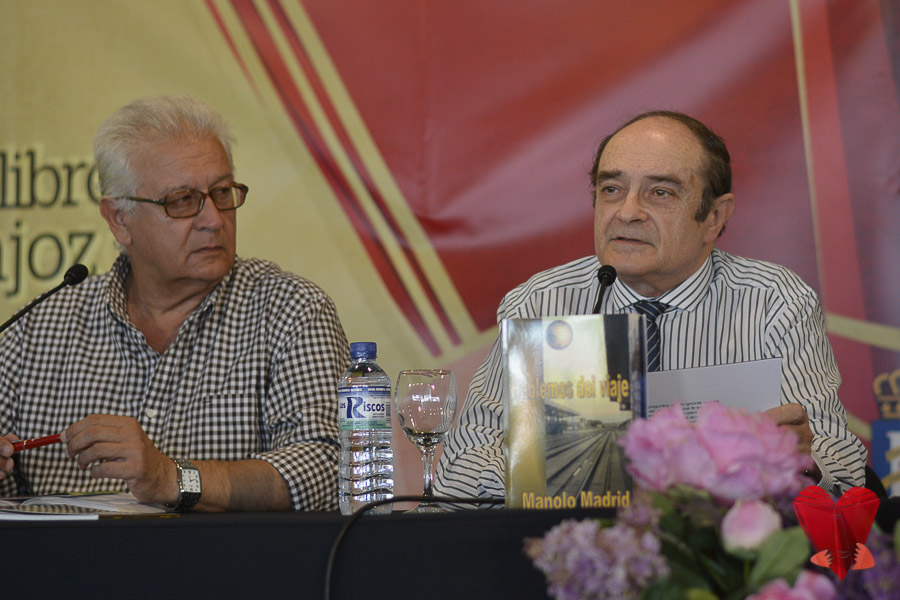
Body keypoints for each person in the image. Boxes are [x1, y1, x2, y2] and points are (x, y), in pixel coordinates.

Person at [435, 110, 866, 503]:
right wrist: (564, 472)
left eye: (660, 192)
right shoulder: (542, 302)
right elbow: (457, 469)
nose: (627, 212)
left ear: (714, 217)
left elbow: (845, 468)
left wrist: (797, 461)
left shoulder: (775, 302)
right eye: (611, 189)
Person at [0, 96, 350, 511]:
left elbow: (329, 469)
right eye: (182, 200)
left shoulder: (292, 311)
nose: (214, 220)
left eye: (222, 192)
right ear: (119, 219)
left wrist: (172, 477)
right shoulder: (34, 332)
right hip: (66, 556)